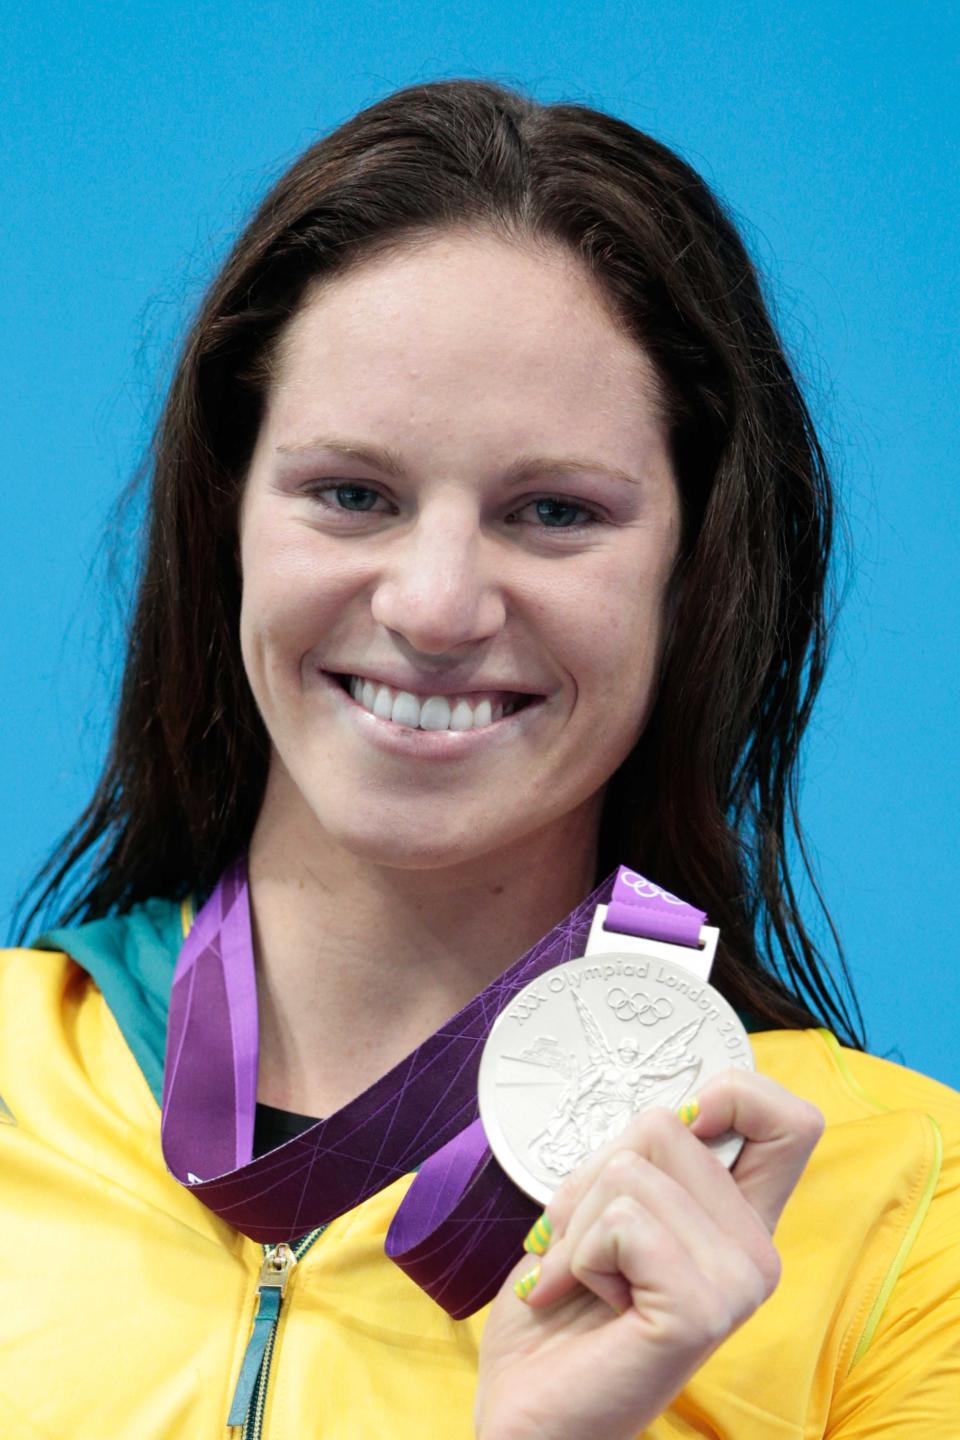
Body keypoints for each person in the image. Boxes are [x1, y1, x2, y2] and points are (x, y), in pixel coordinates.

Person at [2, 78, 957, 1439]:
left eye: (555, 511)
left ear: (696, 572)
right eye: (351, 494)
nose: (436, 604)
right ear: (229, 520)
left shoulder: (911, 1217)